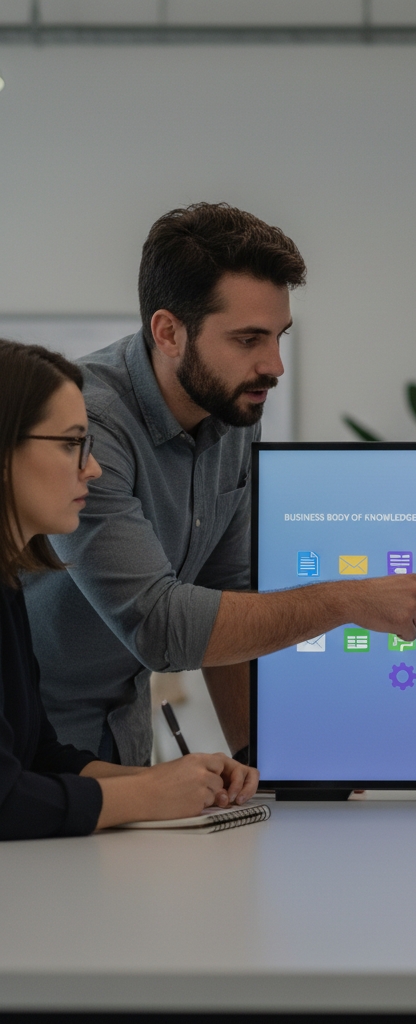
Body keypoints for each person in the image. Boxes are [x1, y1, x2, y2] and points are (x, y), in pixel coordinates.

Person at [23, 203, 416, 766]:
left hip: (121, 738)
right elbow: (161, 627)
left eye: (280, 336)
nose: (275, 365)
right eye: (248, 340)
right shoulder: (88, 428)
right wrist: (347, 598)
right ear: (168, 332)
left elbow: (226, 590)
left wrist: (262, 759)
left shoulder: (233, 407)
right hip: (30, 745)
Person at [0, 339, 259, 839]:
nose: (92, 468)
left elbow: (38, 757)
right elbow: (7, 798)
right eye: (71, 443)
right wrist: (149, 794)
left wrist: (176, 780)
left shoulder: (9, 587)